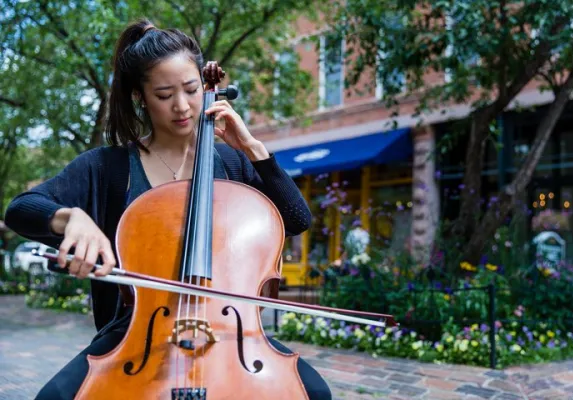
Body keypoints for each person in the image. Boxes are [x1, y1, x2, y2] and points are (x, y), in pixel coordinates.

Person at [5, 18, 331, 400]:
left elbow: (296, 219)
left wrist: (253, 149)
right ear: (140, 97)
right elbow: (21, 208)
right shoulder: (107, 167)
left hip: (228, 333)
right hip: (136, 335)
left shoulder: (232, 163)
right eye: (163, 95)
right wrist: (72, 218)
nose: (181, 106)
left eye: (192, 90)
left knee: (314, 392)